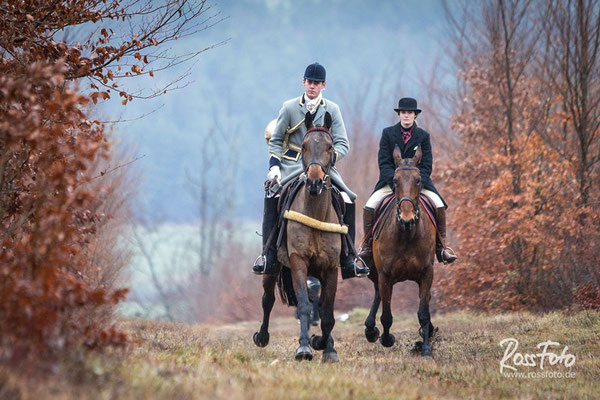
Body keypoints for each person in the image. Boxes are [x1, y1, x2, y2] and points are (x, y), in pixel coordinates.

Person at [252, 62, 369, 279]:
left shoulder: (332, 110)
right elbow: (276, 140)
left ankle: (349, 258)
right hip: (292, 165)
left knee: (348, 198)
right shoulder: (289, 107)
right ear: (303, 82)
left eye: (316, 83)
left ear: (323, 85)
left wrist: (329, 160)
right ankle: (267, 255)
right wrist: (275, 167)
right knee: (272, 194)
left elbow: (343, 143)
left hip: (321, 167)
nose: (312, 87)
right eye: (309, 82)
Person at [359, 97, 457, 265]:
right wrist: (396, 183)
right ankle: (367, 247)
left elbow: (426, 165)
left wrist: (417, 184)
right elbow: (384, 162)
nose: (406, 116)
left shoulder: (423, 136)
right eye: (403, 112)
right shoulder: (388, 133)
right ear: (399, 114)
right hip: (391, 183)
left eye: (409, 113)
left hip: (418, 184)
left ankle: (442, 247)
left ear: (414, 115)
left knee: (438, 204)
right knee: (369, 206)